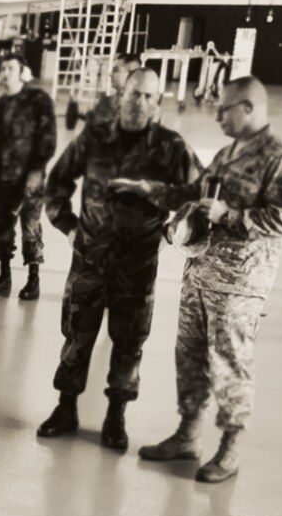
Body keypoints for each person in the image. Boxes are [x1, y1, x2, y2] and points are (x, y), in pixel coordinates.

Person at [138, 76, 282, 484]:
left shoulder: (278, 156)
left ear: (248, 108)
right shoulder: (229, 153)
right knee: (189, 356)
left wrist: (230, 215)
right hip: (201, 272)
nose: (216, 116)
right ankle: (188, 435)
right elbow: (198, 193)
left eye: (223, 108)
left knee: (230, 363)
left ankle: (230, 450)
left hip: (240, 281)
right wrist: (156, 193)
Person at [36, 67, 202, 452]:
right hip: (89, 262)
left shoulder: (171, 147)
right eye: (133, 93)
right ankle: (66, 408)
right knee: (77, 337)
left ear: (157, 103)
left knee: (128, 345)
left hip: (138, 268)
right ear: (120, 95)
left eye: (147, 96)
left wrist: (170, 233)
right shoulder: (94, 138)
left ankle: (116, 417)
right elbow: (57, 182)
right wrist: (69, 227)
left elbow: (199, 193)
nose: (138, 102)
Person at [0, 52, 57, 301]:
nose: (5, 72)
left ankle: (33, 278)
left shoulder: (38, 100)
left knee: (30, 228)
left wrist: (37, 170)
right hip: (3, 179)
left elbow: (47, 138)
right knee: (2, 229)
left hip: (30, 180)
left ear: (22, 72)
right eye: (2, 68)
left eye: (10, 68)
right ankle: (4, 274)